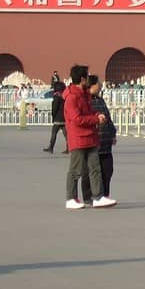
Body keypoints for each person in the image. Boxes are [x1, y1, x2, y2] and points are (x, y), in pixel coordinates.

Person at [63, 64, 115, 210]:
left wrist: (97, 115)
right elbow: (77, 119)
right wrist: (95, 120)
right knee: (75, 170)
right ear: (82, 79)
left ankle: (98, 197)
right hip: (79, 138)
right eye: (87, 76)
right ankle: (71, 198)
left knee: (95, 168)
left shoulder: (84, 95)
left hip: (90, 137)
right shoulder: (72, 97)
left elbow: (89, 111)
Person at [86, 75, 117, 201]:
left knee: (107, 171)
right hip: (93, 142)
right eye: (98, 83)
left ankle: (105, 195)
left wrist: (113, 133)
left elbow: (108, 118)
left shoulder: (100, 100)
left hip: (106, 142)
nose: (100, 85)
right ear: (91, 85)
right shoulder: (85, 102)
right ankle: (91, 197)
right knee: (93, 172)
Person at [44, 81, 68, 154]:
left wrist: (53, 117)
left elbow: (54, 108)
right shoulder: (65, 97)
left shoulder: (56, 97)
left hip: (58, 118)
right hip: (64, 117)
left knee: (54, 133)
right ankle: (68, 148)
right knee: (66, 134)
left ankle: (51, 147)